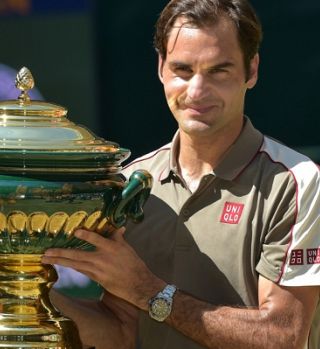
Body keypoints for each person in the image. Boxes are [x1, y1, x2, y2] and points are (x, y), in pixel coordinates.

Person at [42, 0, 320, 348]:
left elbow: (283, 337)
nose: (197, 91)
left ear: (252, 70)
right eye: (182, 70)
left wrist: (148, 291)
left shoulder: (297, 181)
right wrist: (25, 292)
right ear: (161, 68)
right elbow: (120, 333)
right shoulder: (128, 183)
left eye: (219, 70)